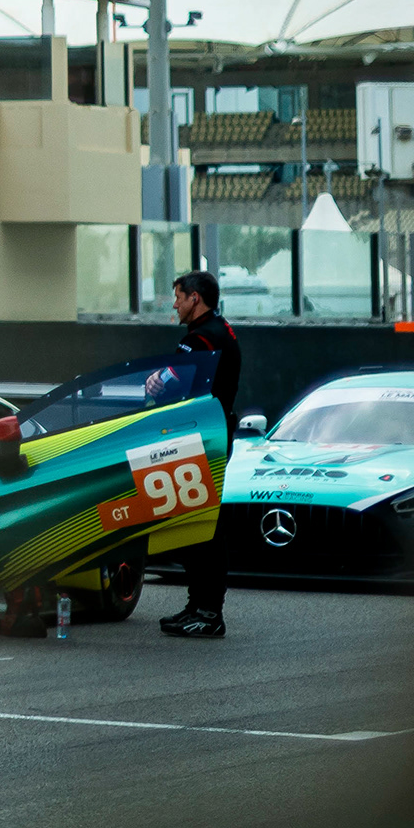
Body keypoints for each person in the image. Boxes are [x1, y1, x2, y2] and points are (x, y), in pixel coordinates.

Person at [161, 269, 246, 640]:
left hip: (199, 438)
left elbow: (167, 388)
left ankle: (208, 611)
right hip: (214, 433)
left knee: (203, 526)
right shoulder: (222, 330)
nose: (175, 304)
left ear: (196, 298)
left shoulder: (199, 340)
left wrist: (157, 383)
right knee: (201, 521)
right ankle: (199, 606)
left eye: (179, 296)